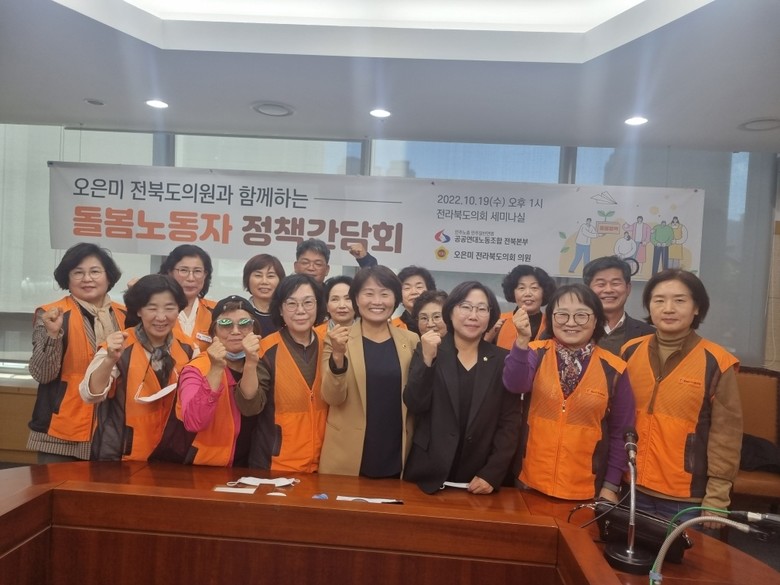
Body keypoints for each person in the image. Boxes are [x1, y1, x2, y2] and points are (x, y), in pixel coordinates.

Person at [621, 269, 742, 526]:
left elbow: (726, 436)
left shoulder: (717, 362)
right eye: (659, 300)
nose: (668, 308)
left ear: (696, 307)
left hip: (685, 497)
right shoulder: (629, 351)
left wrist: (717, 498)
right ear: (649, 306)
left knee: (681, 554)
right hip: (631, 486)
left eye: (679, 300)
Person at [502, 283, 635, 501]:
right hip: (530, 481)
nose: (571, 323)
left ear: (596, 320)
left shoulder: (614, 368)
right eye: (562, 315)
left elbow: (621, 431)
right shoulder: (536, 352)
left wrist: (611, 486)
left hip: (586, 488)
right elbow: (515, 384)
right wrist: (522, 340)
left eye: (581, 315)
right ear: (551, 318)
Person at [403, 282, 523, 494]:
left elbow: (510, 423)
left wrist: (492, 472)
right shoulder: (429, 349)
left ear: (490, 315)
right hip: (428, 476)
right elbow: (415, 403)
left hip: (480, 479)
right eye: (465, 307)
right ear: (450, 312)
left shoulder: (502, 360)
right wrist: (427, 361)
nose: (473, 316)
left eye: (482, 309)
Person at [27, 243, 126, 463]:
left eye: (95, 271)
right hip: (62, 430)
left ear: (108, 276)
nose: (87, 279)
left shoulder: (125, 315)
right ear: (67, 278)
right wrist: (53, 335)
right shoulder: (52, 314)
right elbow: (43, 374)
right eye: (78, 272)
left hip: (112, 432)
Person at [320, 266, 419, 477]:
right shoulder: (337, 339)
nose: (377, 301)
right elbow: (332, 398)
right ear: (356, 298)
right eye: (369, 293)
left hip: (397, 450)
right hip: (348, 452)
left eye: (385, 294)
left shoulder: (411, 340)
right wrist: (338, 355)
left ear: (395, 299)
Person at [81, 274, 193, 461]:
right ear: (139, 310)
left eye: (169, 308)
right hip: (120, 457)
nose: (161, 317)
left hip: (172, 457)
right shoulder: (118, 344)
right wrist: (109, 360)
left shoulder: (189, 349)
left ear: (179, 309)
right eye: (152, 308)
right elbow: (90, 394)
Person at [234, 274, 327, 472]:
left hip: (325, 463)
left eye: (308, 302)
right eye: (291, 303)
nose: (300, 310)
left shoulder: (329, 346)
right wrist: (250, 363)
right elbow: (250, 406)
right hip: (275, 464)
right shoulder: (266, 349)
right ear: (280, 309)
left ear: (318, 306)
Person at [156, 295, 263, 467]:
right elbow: (194, 421)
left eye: (244, 324)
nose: (236, 331)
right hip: (202, 467)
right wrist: (215, 369)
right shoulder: (196, 368)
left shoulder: (262, 364)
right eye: (226, 324)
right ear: (214, 332)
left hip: (246, 467)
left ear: (254, 330)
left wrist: (251, 362)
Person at [583, 256, 654, 356]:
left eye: (615, 283)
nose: (608, 290)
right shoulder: (575, 330)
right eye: (601, 284)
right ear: (587, 290)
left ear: (628, 288)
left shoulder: (650, 334)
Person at [159, 244, 216, 354]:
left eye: (197, 271)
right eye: (184, 270)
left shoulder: (216, 312)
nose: (191, 278)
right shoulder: (155, 310)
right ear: (169, 272)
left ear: (205, 275)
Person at [486, 264, 555, 349]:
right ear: (513, 292)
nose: (528, 293)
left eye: (534, 288)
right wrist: (487, 338)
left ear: (544, 292)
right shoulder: (498, 322)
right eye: (521, 288)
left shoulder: (551, 323)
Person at [293, 238, 377, 284]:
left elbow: (374, 283)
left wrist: (365, 259)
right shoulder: (286, 292)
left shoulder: (332, 295)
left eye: (318, 264)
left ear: (327, 270)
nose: (311, 268)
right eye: (305, 263)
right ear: (296, 266)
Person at [243, 253, 285, 337]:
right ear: (247, 279)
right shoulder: (240, 312)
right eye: (258, 275)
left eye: (270, 276)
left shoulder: (288, 313)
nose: (264, 281)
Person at [391, 265, 436, 334]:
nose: (414, 292)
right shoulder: (392, 326)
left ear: (429, 290)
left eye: (419, 287)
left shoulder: (441, 323)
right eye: (407, 288)